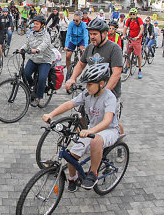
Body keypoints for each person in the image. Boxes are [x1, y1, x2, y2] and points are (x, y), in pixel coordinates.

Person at [43, 63, 120, 191]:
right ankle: (72, 179)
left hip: (109, 130)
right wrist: (51, 115)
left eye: (90, 84)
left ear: (101, 84)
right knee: (72, 155)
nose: (87, 87)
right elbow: (69, 104)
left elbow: (107, 121)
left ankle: (93, 174)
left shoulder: (109, 97)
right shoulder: (87, 94)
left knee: (96, 140)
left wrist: (90, 130)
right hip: (91, 129)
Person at [20, 15, 54, 107]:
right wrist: (21, 49)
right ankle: (32, 86)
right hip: (34, 59)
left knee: (42, 78)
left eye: (37, 24)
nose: (34, 25)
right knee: (26, 74)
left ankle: (38, 98)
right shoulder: (31, 33)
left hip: (44, 60)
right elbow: (27, 44)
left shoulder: (46, 35)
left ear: (42, 25)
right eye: (34, 24)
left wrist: (37, 49)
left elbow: (44, 44)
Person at [64, 11, 88, 76]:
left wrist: (86, 47)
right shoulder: (71, 24)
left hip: (81, 40)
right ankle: (69, 71)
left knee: (83, 54)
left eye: (76, 20)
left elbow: (86, 36)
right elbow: (68, 35)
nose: (75, 21)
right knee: (68, 55)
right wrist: (66, 46)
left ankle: (80, 68)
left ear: (80, 19)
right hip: (73, 40)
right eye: (74, 20)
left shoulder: (84, 25)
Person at [122, 8, 144, 79]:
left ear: (136, 14)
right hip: (130, 38)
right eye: (131, 14)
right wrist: (124, 35)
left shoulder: (139, 20)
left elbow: (142, 28)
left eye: (133, 14)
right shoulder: (128, 20)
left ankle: (139, 70)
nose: (132, 15)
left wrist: (138, 36)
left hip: (137, 39)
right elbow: (125, 28)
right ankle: (126, 65)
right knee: (127, 53)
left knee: (138, 54)